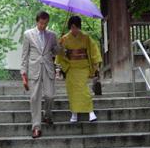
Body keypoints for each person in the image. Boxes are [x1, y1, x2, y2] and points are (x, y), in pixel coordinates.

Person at [21, 10, 61, 138]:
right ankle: (36, 127)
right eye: (41, 23)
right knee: (35, 98)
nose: (43, 26)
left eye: (46, 23)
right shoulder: (28, 34)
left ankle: (47, 115)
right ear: (37, 21)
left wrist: (60, 45)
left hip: (48, 68)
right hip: (34, 69)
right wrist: (23, 74)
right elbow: (24, 56)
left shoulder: (52, 35)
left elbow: (55, 52)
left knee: (50, 96)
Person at [56, 15, 102, 123]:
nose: (74, 30)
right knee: (72, 91)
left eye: (76, 27)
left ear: (79, 27)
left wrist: (95, 64)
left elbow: (94, 50)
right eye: (72, 27)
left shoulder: (86, 37)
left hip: (83, 67)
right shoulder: (65, 38)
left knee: (83, 89)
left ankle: (90, 111)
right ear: (69, 27)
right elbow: (60, 53)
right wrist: (60, 44)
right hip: (71, 67)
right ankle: (74, 113)